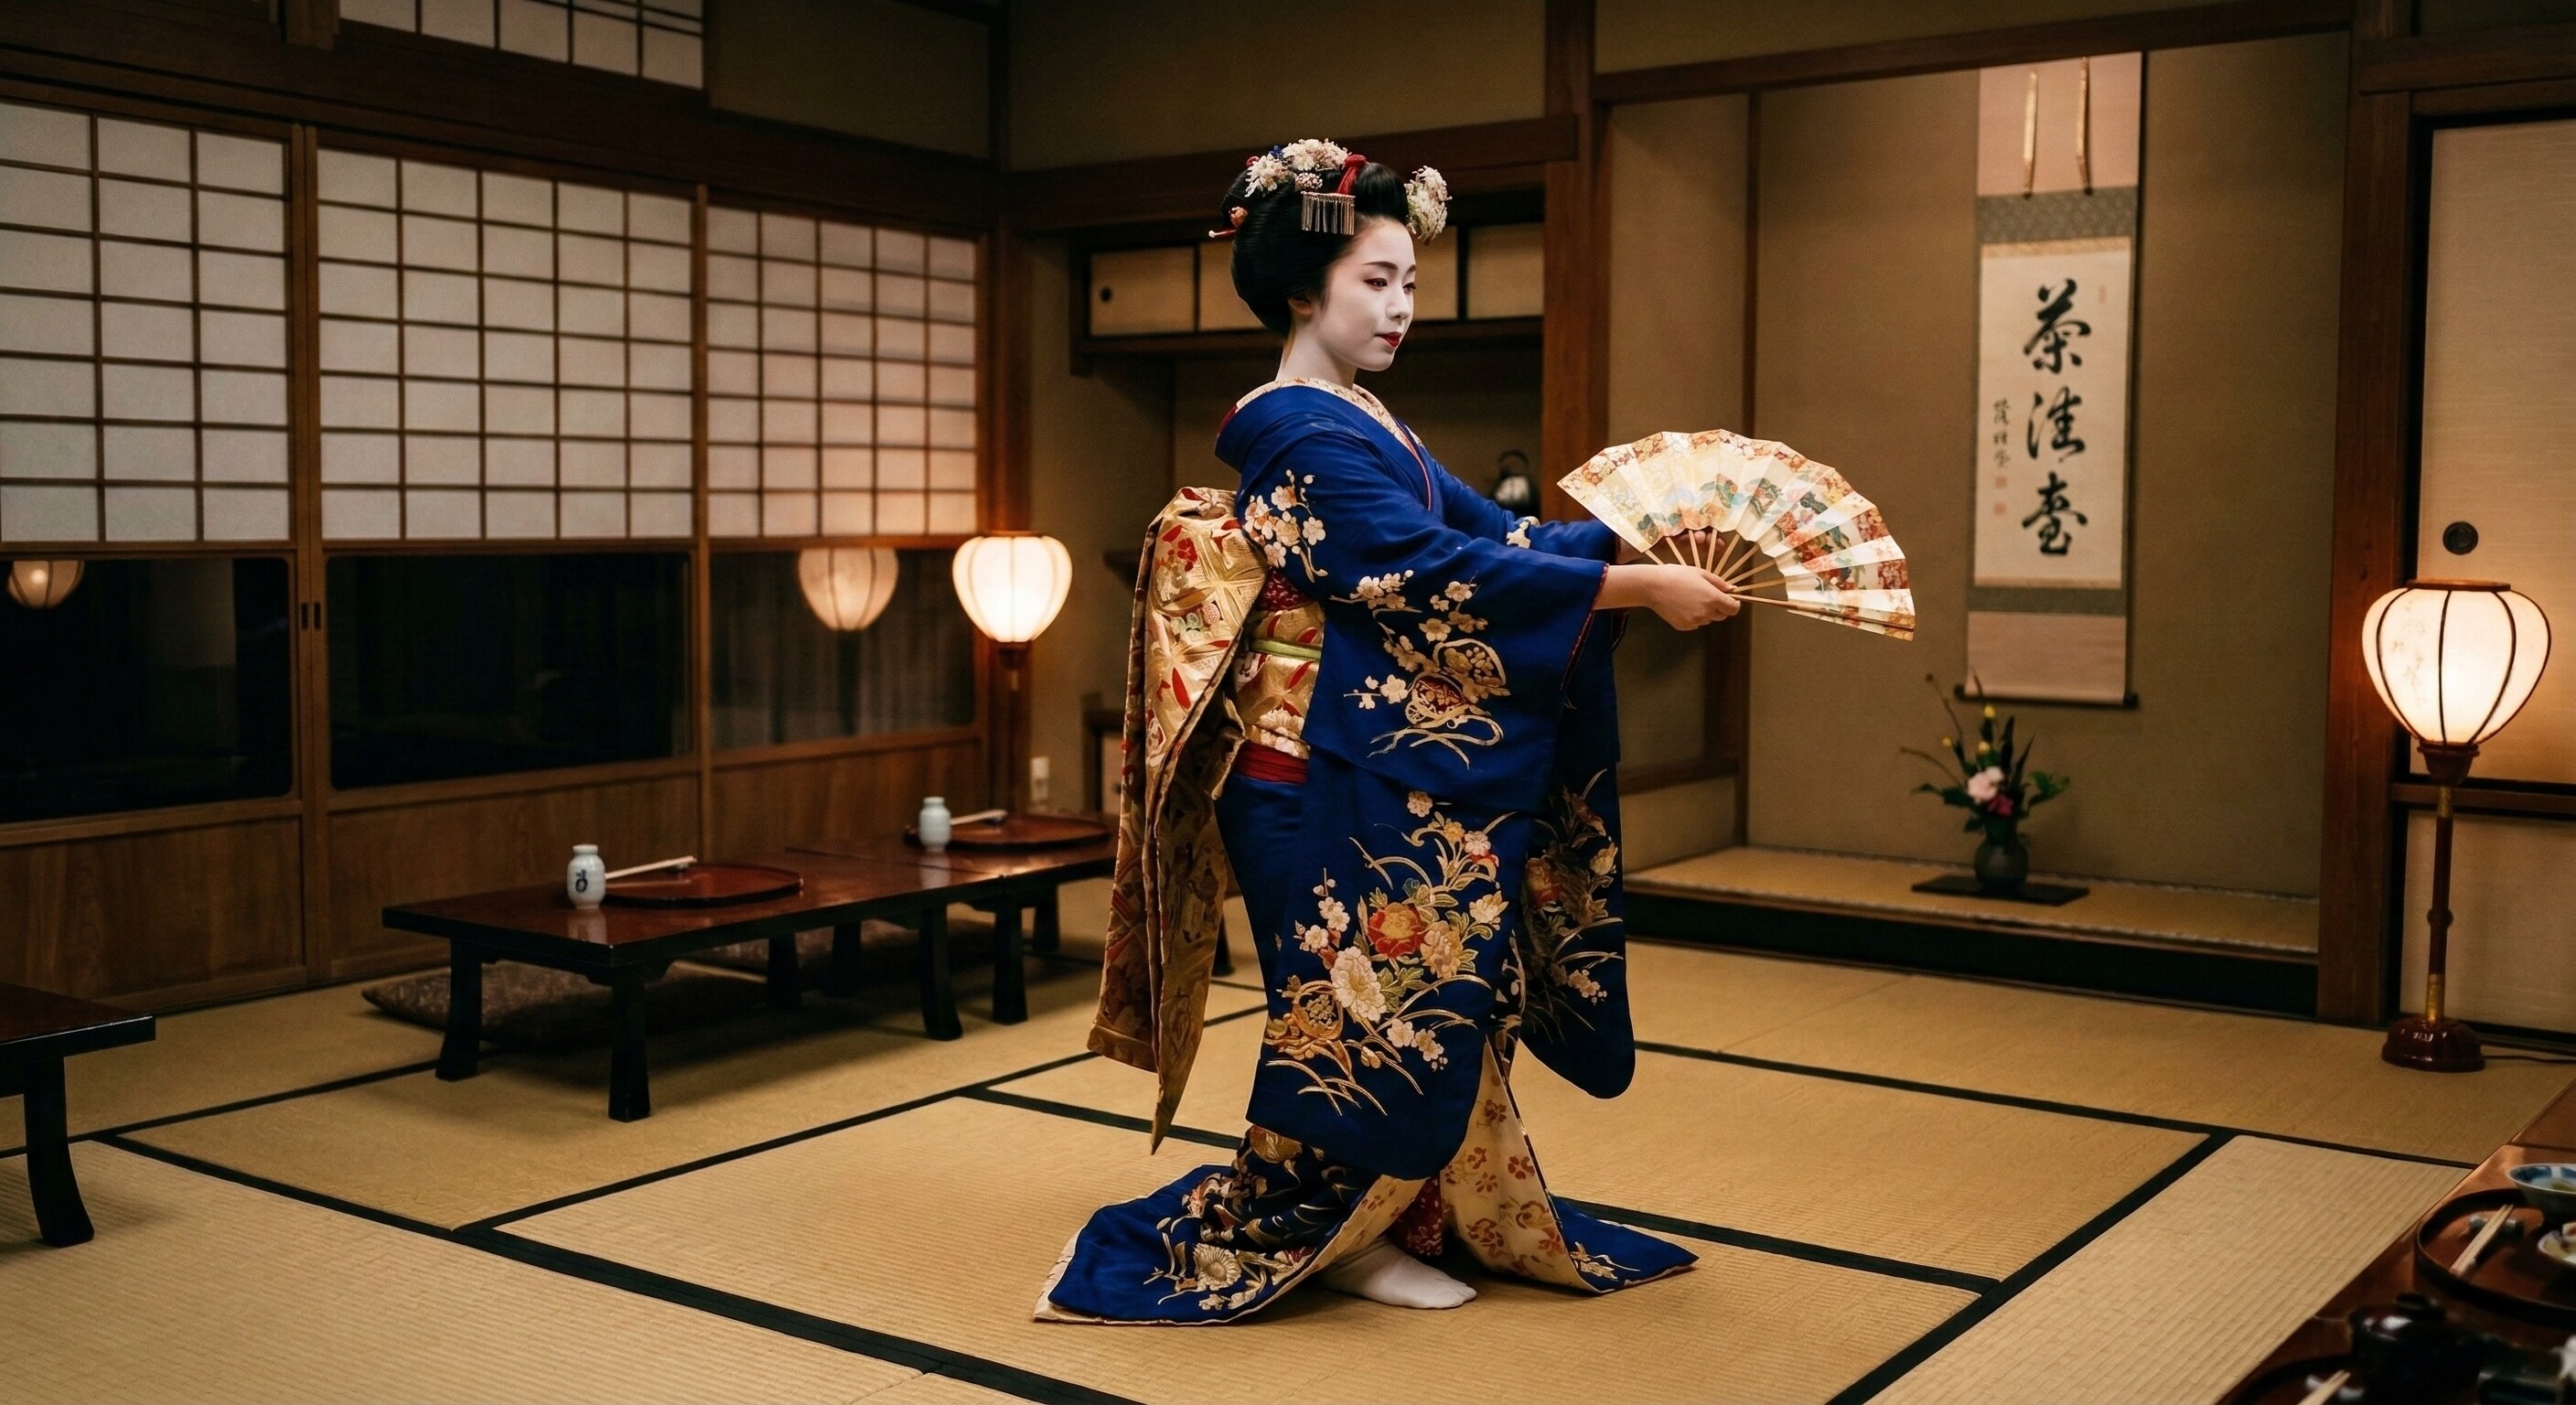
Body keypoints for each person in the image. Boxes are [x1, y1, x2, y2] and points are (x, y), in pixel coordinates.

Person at [1036, 139, 1739, 1325]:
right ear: (1305, 286)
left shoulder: (1362, 417)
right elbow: (1414, 572)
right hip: (1303, 768)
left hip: (1361, 753)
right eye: (1378, 279)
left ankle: (1417, 1212)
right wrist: (1631, 596)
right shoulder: (1294, 432)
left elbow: (1494, 540)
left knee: (1428, 987)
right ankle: (1330, 1236)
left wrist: (1620, 558)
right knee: (1345, 1002)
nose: (1403, 305)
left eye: (1412, 279)